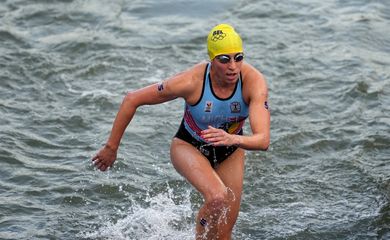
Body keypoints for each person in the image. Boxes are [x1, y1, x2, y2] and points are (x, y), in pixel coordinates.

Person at [92, 23, 270, 240]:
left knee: (223, 234)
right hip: (189, 146)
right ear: (212, 60)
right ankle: (198, 235)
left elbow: (263, 141)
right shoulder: (191, 81)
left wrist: (230, 138)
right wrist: (111, 147)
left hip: (230, 149)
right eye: (224, 59)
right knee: (217, 198)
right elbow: (132, 99)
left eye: (238, 57)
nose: (233, 66)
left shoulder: (253, 82)